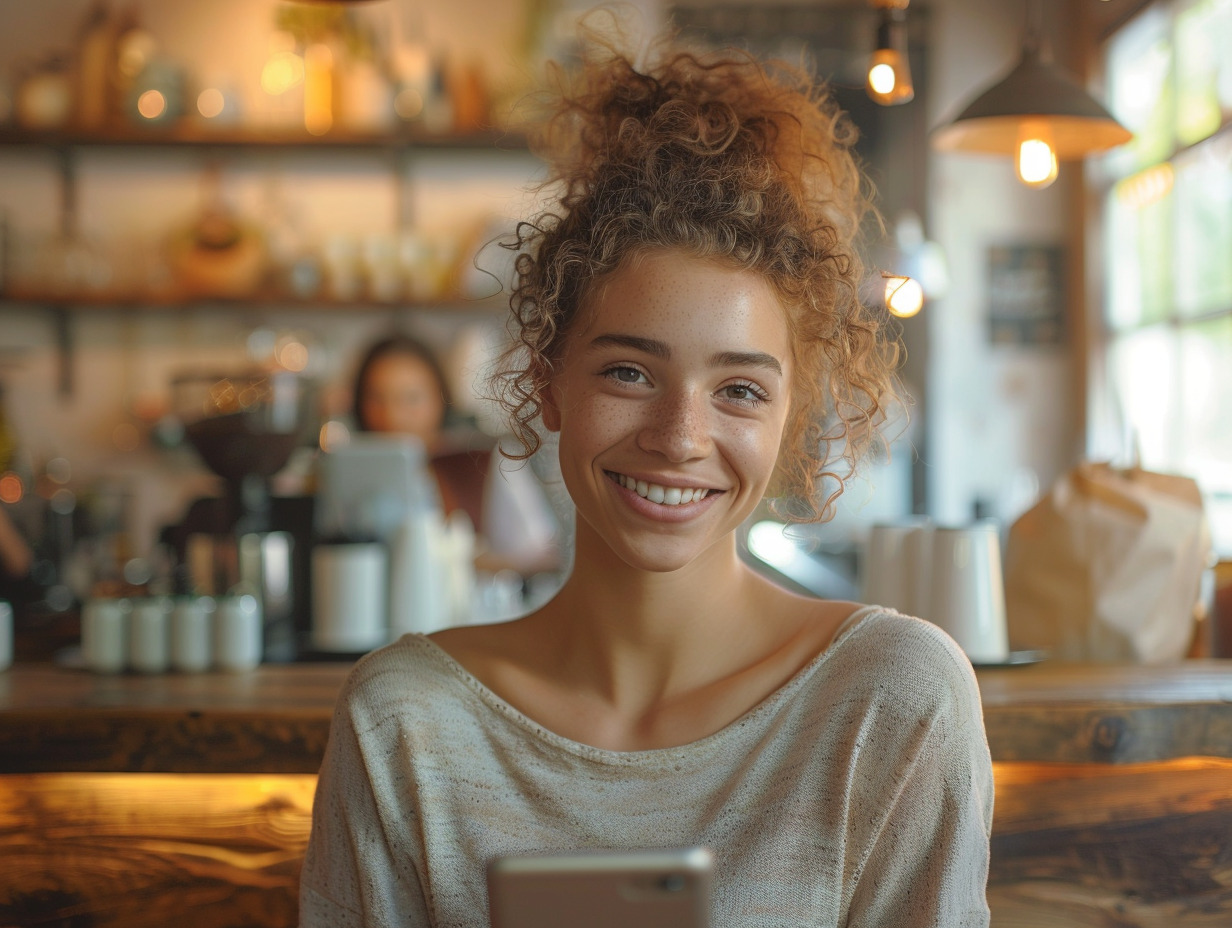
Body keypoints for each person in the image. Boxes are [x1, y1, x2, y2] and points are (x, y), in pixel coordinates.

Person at [301, 26, 993, 928]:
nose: (679, 437)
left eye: (740, 389)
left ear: (789, 416)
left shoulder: (891, 701)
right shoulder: (404, 724)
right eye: (629, 372)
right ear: (549, 386)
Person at [350, 332, 560, 575]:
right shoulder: (344, 475)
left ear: (440, 400)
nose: (393, 416)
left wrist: (466, 563)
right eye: (377, 399)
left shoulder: (485, 463)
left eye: (411, 399)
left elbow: (543, 555)